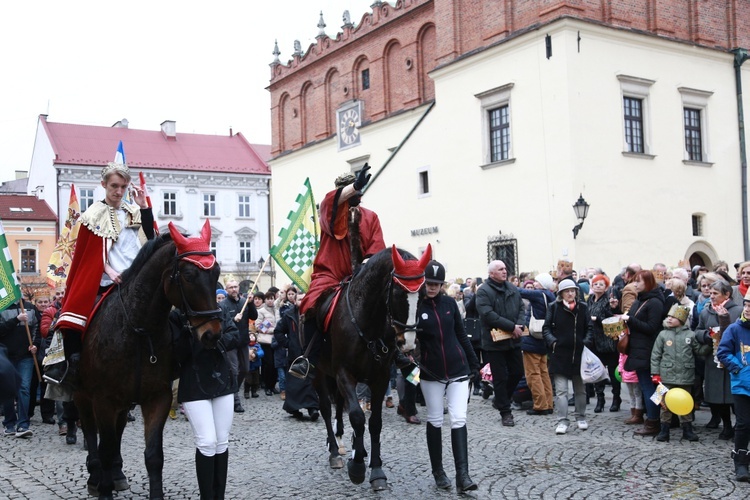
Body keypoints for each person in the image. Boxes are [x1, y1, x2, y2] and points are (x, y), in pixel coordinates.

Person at [54, 161, 154, 386]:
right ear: (104, 185)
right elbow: (89, 254)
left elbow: (151, 242)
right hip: (106, 280)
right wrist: (109, 270)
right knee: (74, 313)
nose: (119, 192)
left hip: (136, 279)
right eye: (114, 186)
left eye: (123, 187)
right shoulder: (92, 214)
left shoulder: (134, 211)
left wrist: (144, 207)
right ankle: (72, 365)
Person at [289, 165, 385, 379]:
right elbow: (332, 203)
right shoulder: (327, 210)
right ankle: (309, 359)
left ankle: (397, 355)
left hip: (363, 276)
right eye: (352, 190)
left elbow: (376, 247)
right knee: (311, 304)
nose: (357, 194)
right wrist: (354, 186)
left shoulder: (371, 217)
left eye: (359, 190)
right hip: (330, 274)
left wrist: (368, 267)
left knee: (386, 301)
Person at [417, 260, 479, 492]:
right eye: (429, 283)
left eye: (436, 284)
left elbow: (462, 335)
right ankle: (438, 471)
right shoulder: (416, 307)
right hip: (430, 372)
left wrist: (474, 364)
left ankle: (463, 475)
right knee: (434, 419)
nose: (432, 287)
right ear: (424, 282)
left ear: (442, 284)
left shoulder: (450, 304)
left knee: (458, 418)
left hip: (458, 369)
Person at [172, 301, 244, 500]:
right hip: (194, 383)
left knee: (221, 441)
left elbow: (234, 335)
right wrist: (194, 336)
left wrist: (213, 341)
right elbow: (175, 351)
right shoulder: (178, 315)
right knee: (207, 441)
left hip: (221, 379)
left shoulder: (218, 310)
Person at [475, 260, 525, 427]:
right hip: (494, 342)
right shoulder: (483, 291)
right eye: (501, 269)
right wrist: (511, 327)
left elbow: (521, 308)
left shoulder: (512, 288)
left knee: (517, 372)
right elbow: (488, 314)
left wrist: (518, 325)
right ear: (491, 274)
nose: (505, 271)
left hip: (513, 339)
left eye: (505, 268)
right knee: (500, 377)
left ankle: (500, 398)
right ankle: (505, 411)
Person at [541, 279, 593, 435]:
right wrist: (553, 342)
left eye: (573, 291)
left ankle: (581, 417)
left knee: (580, 390)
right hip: (560, 354)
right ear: (561, 293)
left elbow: (590, 328)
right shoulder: (554, 307)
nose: (571, 294)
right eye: (567, 291)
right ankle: (562, 421)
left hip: (579, 354)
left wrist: (585, 343)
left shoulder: (583, 308)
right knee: (562, 391)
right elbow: (546, 328)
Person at [694, 279, 741, 439]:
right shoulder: (706, 312)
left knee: (734, 396)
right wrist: (707, 335)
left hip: (733, 359)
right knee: (718, 397)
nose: (711, 296)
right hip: (713, 359)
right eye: (710, 293)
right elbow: (697, 330)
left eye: (715, 293)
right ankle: (726, 426)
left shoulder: (738, 311)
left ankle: (739, 426)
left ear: (726, 294)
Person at [621, 270, 665, 437]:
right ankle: (654, 419)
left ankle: (653, 421)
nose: (635, 284)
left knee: (650, 388)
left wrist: (630, 320)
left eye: (638, 281)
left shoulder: (654, 302)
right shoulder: (639, 300)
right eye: (634, 281)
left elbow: (651, 327)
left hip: (647, 350)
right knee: (647, 387)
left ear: (647, 282)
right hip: (638, 349)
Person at [650, 305, 701, 442]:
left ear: (681, 319)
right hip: (665, 376)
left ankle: (687, 429)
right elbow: (656, 355)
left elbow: (699, 351)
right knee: (664, 405)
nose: (669, 319)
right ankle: (664, 430)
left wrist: (711, 344)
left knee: (685, 404)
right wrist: (655, 373)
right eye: (668, 317)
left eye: (673, 317)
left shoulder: (690, 335)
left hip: (685, 376)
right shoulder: (663, 334)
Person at [716, 289, 750, 482]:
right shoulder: (735, 329)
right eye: (746, 305)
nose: (748, 309)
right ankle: (741, 462)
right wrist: (738, 368)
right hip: (743, 386)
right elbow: (723, 352)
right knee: (744, 424)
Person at [275, 293, 319, 420]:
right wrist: (288, 344)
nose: (303, 301)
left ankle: (312, 408)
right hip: (295, 356)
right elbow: (278, 331)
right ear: (295, 301)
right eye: (300, 299)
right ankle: (294, 408)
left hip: (311, 354)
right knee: (295, 384)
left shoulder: (314, 314)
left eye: (305, 299)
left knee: (309, 382)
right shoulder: (289, 315)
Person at [0, 298, 41, 438]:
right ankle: (9, 423)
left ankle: (23, 424)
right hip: (6, 355)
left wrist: (35, 344)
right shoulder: (2, 307)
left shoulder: (30, 307)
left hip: (26, 356)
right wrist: (16, 320)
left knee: (24, 388)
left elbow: (37, 327)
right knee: (8, 389)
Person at [517, 273, 556, 416]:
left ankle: (540, 405)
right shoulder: (550, 295)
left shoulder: (540, 294)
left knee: (533, 373)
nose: (534, 284)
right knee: (544, 373)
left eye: (537, 282)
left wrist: (506, 284)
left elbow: (520, 291)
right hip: (543, 339)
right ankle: (549, 402)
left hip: (532, 340)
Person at [218, 280, 258, 413]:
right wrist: (233, 320)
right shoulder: (223, 305)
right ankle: (235, 401)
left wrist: (251, 303)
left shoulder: (244, 302)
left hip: (243, 341)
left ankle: (233, 390)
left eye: (235, 287)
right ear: (226, 289)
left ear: (239, 288)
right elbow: (221, 325)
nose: (233, 289)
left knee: (245, 369)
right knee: (233, 371)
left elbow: (254, 316)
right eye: (230, 287)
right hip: (230, 343)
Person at [586, 274, 621, 412]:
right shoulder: (590, 300)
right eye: (595, 284)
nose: (598, 286)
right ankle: (600, 399)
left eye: (601, 284)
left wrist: (598, 319)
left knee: (612, 373)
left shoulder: (609, 300)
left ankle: (616, 399)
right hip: (593, 341)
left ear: (606, 287)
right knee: (597, 372)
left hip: (608, 342)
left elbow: (612, 319)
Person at [245, 333, 264, 398]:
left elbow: (261, 353)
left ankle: (254, 392)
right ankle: (246, 392)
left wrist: (256, 354)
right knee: (248, 380)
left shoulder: (257, 345)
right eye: (250, 336)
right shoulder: (246, 346)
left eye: (253, 336)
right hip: (248, 365)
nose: (252, 337)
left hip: (256, 365)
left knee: (256, 380)